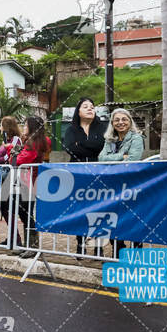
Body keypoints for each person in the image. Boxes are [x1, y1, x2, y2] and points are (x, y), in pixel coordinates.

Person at [63, 98, 108, 254]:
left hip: (99, 175)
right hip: (78, 176)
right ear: (79, 111)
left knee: (99, 211)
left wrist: (81, 143)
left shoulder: (103, 128)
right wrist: (91, 146)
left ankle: (98, 247)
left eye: (92, 107)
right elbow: (70, 149)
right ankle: (80, 244)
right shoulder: (71, 130)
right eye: (85, 106)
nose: (90, 109)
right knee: (80, 211)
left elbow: (103, 146)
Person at [98, 109, 145, 253]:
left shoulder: (136, 138)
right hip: (114, 184)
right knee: (114, 217)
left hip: (132, 183)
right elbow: (101, 159)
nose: (120, 122)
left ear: (130, 121)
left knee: (133, 218)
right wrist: (121, 157)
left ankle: (136, 252)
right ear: (112, 123)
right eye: (117, 120)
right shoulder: (109, 140)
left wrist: (118, 158)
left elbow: (132, 160)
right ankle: (117, 249)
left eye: (124, 119)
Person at [9, 116, 52, 253]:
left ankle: (32, 246)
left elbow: (19, 161)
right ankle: (28, 245)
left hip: (30, 181)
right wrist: (15, 152)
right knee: (23, 211)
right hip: (27, 180)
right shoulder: (32, 141)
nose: (24, 128)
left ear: (32, 127)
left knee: (25, 211)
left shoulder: (36, 142)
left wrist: (13, 154)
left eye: (26, 125)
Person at [0, 117, 23, 245]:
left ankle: (16, 239)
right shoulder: (6, 140)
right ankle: (13, 237)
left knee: (9, 207)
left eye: (1, 125)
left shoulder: (16, 140)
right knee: (4, 207)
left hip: (12, 176)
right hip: (4, 175)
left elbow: (11, 156)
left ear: (7, 126)